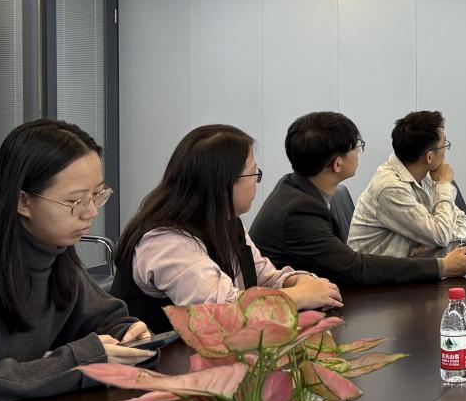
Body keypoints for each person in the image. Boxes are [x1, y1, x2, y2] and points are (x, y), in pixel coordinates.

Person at [0, 119, 152, 401]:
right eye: (76, 201)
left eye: (97, 195)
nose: (91, 212)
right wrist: (75, 362)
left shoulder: (55, 250)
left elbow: (104, 318)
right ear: (23, 202)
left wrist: (127, 335)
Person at [110, 124, 342, 332]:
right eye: (253, 173)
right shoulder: (165, 240)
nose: (256, 181)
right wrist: (298, 296)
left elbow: (263, 277)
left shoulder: (226, 221)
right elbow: (219, 312)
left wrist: (301, 282)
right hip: (164, 361)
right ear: (224, 182)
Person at [251, 112, 466, 285]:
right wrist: (441, 266)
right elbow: (355, 268)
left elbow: (456, 226)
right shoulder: (299, 211)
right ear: (337, 164)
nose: (359, 153)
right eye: (356, 147)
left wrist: (433, 246)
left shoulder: (296, 189)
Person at [348, 110, 466, 259]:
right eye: (444, 144)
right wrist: (443, 185)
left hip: (408, 266)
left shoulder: (424, 175)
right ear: (429, 157)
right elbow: (441, 235)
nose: (446, 149)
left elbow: (463, 222)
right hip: (375, 272)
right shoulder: (391, 187)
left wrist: (430, 245)